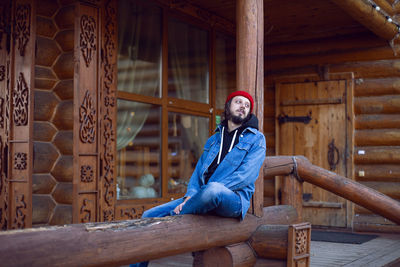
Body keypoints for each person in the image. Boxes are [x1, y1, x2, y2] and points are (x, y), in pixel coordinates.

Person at [130, 91, 266, 267]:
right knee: (149, 215)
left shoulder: (256, 139)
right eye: (238, 102)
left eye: (247, 105)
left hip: (234, 200)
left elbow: (246, 176)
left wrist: (197, 197)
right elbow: (198, 172)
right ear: (227, 107)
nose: (243, 107)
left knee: (213, 190)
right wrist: (190, 196)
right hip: (200, 197)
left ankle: (174, 218)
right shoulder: (213, 140)